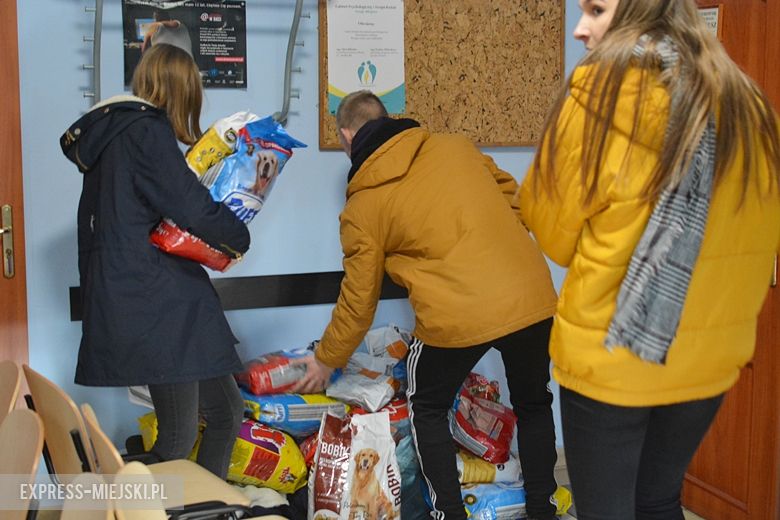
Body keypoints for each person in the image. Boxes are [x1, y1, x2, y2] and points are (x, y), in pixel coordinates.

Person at [518, 1, 780, 518]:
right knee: (659, 500)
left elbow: (554, 236)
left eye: (596, 9)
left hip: (612, 355)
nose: (580, 27)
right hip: (707, 360)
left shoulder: (599, 93)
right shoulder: (748, 101)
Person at [293, 90, 562, 520]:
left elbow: (359, 299)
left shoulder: (363, 205)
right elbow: (517, 202)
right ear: (387, 118)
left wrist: (326, 359)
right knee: (534, 402)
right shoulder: (454, 146)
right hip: (530, 298)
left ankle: (448, 515)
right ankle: (543, 510)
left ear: (347, 135)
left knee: (427, 406)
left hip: (456, 316)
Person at [60, 44, 250, 480]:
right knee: (178, 439)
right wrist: (239, 236)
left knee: (225, 412)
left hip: (145, 299)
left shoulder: (114, 135)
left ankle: (206, 506)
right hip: (163, 307)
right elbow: (192, 207)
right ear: (183, 91)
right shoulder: (146, 131)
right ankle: (123, 503)